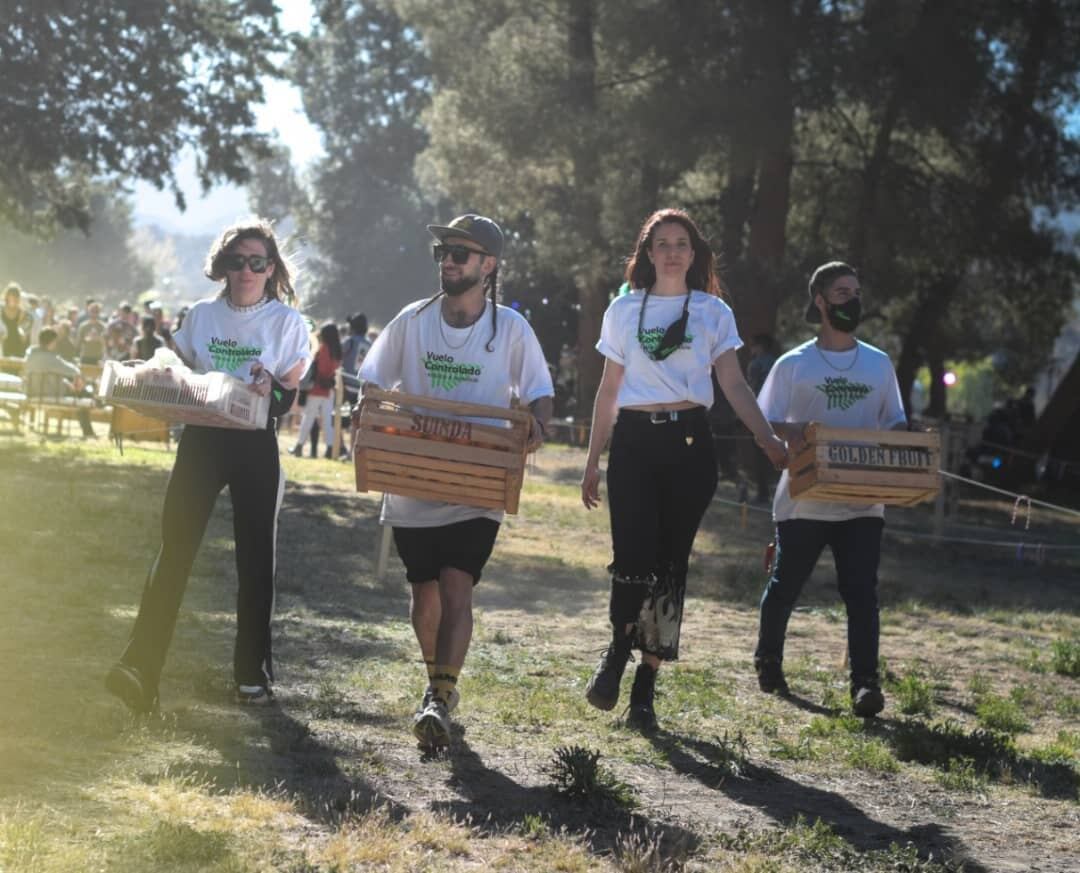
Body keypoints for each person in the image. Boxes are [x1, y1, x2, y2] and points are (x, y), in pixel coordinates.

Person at [580, 208, 788, 734]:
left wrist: (766, 438)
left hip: (690, 443)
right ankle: (616, 650)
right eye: (663, 243)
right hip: (632, 442)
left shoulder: (713, 312)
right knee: (630, 558)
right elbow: (608, 391)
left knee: (670, 566)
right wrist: (591, 461)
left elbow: (735, 386)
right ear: (648, 254)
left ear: (693, 255)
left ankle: (645, 689)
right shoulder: (623, 312)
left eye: (682, 243)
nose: (672, 251)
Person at [358, 213, 554, 749]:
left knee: (456, 585)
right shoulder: (412, 320)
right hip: (414, 477)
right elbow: (373, 379)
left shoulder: (511, 328)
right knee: (424, 598)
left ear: (488, 266)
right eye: (443, 251)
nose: (448, 260)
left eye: (461, 253)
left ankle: (439, 699)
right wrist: (365, 406)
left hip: (478, 483)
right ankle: (437, 687)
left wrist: (537, 424)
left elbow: (540, 391)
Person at [105, 217, 311, 713]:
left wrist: (271, 389)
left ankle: (251, 676)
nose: (245, 270)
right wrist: (156, 368)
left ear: (270, 268)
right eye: (236, 261)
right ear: (223, 265)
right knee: (173, 552)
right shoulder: (200, 315)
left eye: (256, 262)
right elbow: (173, 364)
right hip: (201, 442)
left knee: (255, 560)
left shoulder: (287, 322)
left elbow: (289, 391)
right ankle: (140, 669)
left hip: (254, 445)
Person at [753, 261, 907, 718]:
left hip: (864, 503)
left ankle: (865, 685)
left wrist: (904, 436)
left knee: (861, 592)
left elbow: (895, 419)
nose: (852, 300)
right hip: (803, 500)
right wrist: (790, 431)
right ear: (819, 301)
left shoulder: (879, 364)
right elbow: (762, 420)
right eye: (841, 293)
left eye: (856, 292)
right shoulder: (794, 363)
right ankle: (769, 662)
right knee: (785, 585)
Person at [23, 327, 96, 437]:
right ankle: (88, 431)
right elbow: (74, 370)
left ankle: (88, 430)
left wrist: (66, 382)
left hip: (31, 391)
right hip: (50, 393)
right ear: (52, 342)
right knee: (83, 394)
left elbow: (49, 376)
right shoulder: (51, 358)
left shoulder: (30, 355)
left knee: (77, 390)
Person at [290, 321, 342, 459]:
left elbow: (321, 370)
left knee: (308, 418)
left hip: (317, 389)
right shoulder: (337, 350)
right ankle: (330, 449)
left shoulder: (324, 348)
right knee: (327, 422)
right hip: (329, 390)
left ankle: (299, 446)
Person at [747, 334, 779, 504]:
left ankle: (762, 494)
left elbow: (750, 391)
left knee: (760, 455)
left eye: (753, 345)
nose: (751, 349)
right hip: (778, 414)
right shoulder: (777, 363)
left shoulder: (756, 365)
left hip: (759, 414)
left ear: (760, 346)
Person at [340, 312, 371, 406]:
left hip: (344, 385)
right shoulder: (370, 345)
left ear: (353, 327)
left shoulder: (349, 341)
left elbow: (337, 356)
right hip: (360, 388)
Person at [2, 283, 31, 358]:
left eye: (16, 296)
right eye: (11, 295)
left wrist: (20, 322)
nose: (13, 299)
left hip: (19, 349)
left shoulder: (24, 314)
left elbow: (24, 338)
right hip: (3, 349)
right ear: (6, 296)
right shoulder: (0, 311)